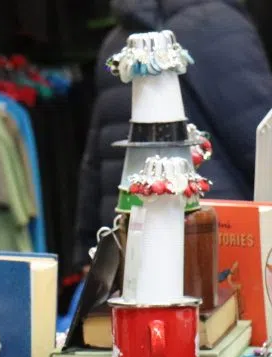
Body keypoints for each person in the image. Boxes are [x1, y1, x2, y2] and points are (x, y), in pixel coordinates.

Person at [75, 0, 272, 268]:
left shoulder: (118, 42)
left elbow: (97, 156)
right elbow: (259, 137)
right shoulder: (219, 26)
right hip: (214, 235)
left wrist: (88, 245)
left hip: (130, 240)